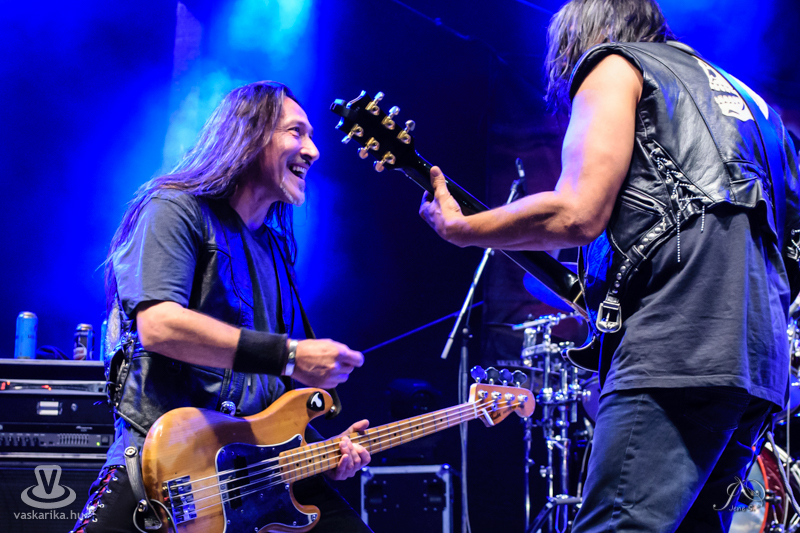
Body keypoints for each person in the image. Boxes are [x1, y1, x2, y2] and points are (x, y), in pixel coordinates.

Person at [420, 0, 800, 531]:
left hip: (676, 350)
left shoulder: (616, 64)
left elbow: (577, 212)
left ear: (584, 34)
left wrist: (464, 230)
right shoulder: (754, 104)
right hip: (760, 367)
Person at [72, 81, 373, 533]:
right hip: (165, 468)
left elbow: (267, 395)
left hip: (246, 481)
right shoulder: (174, 207)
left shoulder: (274, 249)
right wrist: (290, 354)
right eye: (296, 132)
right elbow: (159, 325)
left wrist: (321, 452)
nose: (313, 151)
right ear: (249, 135)